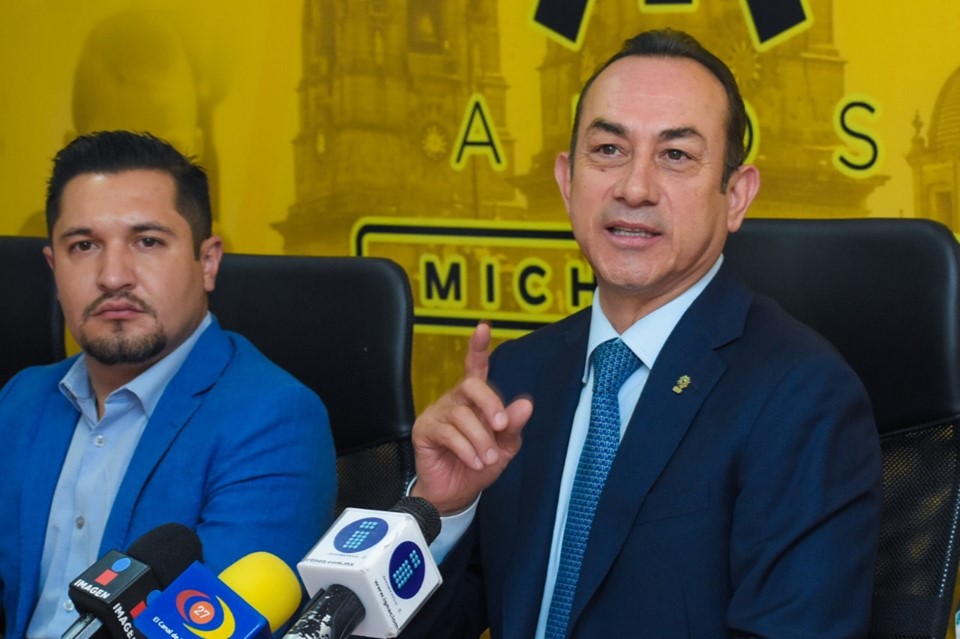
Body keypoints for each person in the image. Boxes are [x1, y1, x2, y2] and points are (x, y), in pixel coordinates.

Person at [406, 29, 883, 638]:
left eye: (676, 155)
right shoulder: (518, 377)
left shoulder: (803, 399)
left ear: (736, 196)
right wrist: (439, 512)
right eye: (608, 149)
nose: (634, 188)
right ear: (567, 182)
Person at [0, 130, 336, 638]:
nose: (113, 276)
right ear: (54, 267)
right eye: (84, 245)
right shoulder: (21, 399)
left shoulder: (275, 419)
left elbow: (214, 627)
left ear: (208, 262)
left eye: (148, 242)